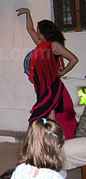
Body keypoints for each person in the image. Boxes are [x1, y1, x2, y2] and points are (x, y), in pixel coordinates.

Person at [17, 8, 78, 139]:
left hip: (52, 86)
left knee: (43, 114)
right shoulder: (41, 44)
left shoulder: (54, 45)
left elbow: (74, 59)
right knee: (50, 114)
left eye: (39, 29)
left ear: (43, 31)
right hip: (41, 87)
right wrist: (28, 13)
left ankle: (53, 140)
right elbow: (30, 30)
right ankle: (52, 140)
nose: (37, 31)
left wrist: (62, 72)